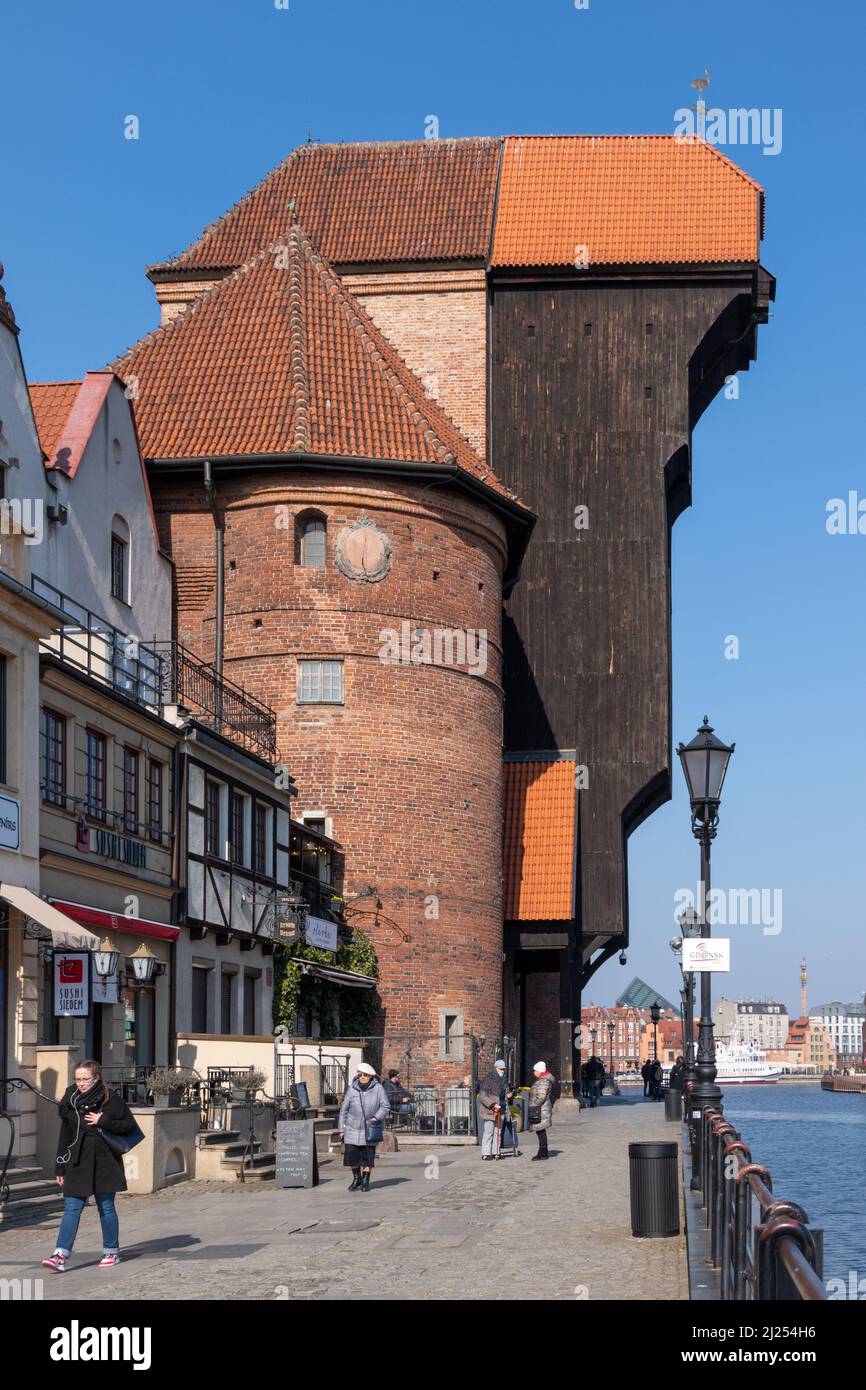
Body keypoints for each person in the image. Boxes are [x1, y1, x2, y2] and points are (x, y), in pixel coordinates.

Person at [42, 1058, 137, 1272]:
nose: (81, 1083)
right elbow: (65, 1135)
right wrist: (60, 1166)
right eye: (78, 1079)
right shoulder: (70, 1099)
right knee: (71, 1207)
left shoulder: (109, 1098)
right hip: (76, 1160)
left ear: (96, 1078)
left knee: (106, 1206)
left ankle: (111, 1252)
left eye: (85, 1079)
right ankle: (60, 1255)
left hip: (105, 1160)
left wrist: (103, 1120)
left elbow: (129, 1126)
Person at [338, 1062, 391, 1191]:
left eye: (365, 1075)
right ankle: (357, 1178)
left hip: (369, 1129)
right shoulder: (352, 1089)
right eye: (360, 1074)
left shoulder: (378, 1088)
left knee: (367, 1157)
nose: (362, 1076)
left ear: (370, 1076)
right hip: (352, 1128)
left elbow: (385, 1106)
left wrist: (376, 1117)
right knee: (352, 1157)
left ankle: (366, 1180)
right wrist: (341, 1129)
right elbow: (343, 1110)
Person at [478, 1059, 512, 1160]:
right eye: (500, 1069)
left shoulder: (504, 1079)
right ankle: (486, 1153)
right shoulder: (488, 1079)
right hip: (490, 1109)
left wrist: (508, 1095)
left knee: (498, 1132)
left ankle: (496, 1152)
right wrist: (492, 1105)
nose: (502, 1071)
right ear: (496, 1068)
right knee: (489, 1132)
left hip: (501, 1107)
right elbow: (482, 1096)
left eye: (503, 1069)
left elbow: (504, 1093)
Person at [527, 1061, 555, 1160]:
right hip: (541, 1109)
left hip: (541, 1109)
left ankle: (543, 1153)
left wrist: (533, 1105)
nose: (534, 1072)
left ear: (539, 1071)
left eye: (535, 1070)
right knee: (540, 1131)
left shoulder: (543, 1081)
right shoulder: (542, 1080)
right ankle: (543, 1152)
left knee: (540, 1130)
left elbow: (541, 1097)